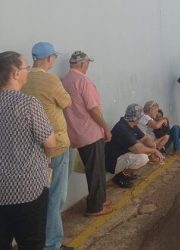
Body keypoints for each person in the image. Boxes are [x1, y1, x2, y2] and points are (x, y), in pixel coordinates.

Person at [0, 51, 56, 250]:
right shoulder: (28, 103)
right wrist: (46, 158)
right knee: (31, 243)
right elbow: (50, 143)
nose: (27, 71)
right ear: (15, 73)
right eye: (25, 68)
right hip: (28, 190)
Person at [21, 42, 74, 250]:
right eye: (54, 57)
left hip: (32, 147)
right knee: (55, 198)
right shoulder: (50, 80)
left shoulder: (23, 79)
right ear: (49, 58)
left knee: (38, 197)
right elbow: (67, 102)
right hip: (56, 145)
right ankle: (52, 244)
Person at [62, 51, 112, 216]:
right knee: (96, 170)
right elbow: (93, 109)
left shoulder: (64, 81)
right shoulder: (83, 81)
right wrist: (105, 127)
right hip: (90, 132)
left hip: (75, 133)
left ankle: (101, 200)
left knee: (93, 168)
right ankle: (95, 207)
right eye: (87, 63)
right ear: (82, 64)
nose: (88, 66)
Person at [105, 104, 165, 188]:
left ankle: (126, 173)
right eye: (140, 117)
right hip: (112, 162)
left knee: (146, 149)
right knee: (143, 158)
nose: (140, 119)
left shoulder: (131, 124)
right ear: (134, 118)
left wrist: (153, 146)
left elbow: (144, 138)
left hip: (122, 155)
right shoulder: (122, 128)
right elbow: (137, 149)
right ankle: (120, 177)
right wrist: (154, 151)